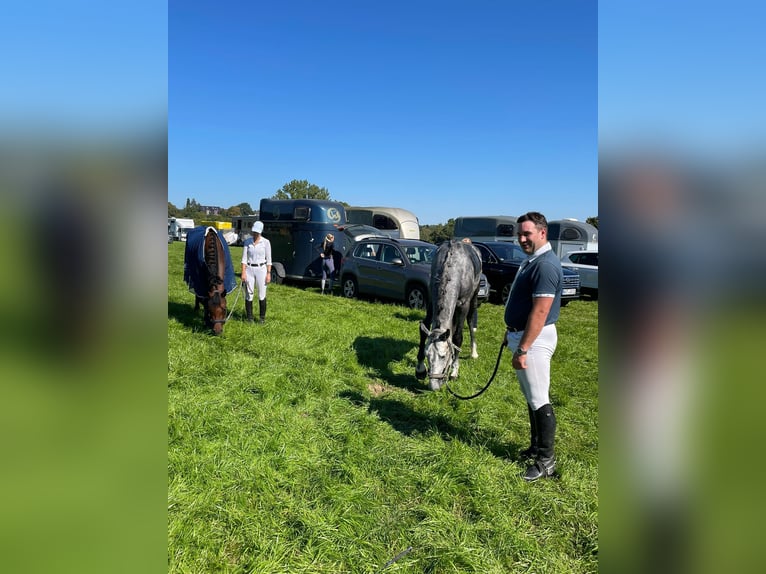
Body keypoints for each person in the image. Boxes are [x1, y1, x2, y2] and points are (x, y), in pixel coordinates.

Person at [504, 212, 564, 481]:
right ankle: (536, 447)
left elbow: (540, 312)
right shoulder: (534, 261)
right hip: (525, 337)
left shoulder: (545, 266)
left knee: (539, 399)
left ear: (542, 233)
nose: (522, 238)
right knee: (532, 396)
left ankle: (546, 462)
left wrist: (524, 347)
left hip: (535, 341)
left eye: (527, 233)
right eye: (519, 233)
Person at [241, 221, 272, 323]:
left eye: (257, 232)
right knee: (249, 294)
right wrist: (243, 272)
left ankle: (262, 318)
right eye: (254, 231)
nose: (255, 234)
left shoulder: (266, 242)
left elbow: (269, 260)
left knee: (261, 294)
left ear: (260, 232)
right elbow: (244, 259)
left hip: (261, 269)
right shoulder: (247, 242)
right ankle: (249, 318)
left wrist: (268, 273)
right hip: (249, 269)